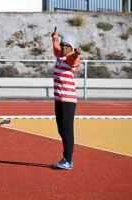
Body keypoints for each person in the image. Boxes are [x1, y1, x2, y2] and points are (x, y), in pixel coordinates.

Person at [50, 27, 81, 170]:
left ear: (71, 48)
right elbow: (56, 47)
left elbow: (73, 59)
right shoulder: (59, 55)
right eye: (62, 45)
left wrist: (75, 54)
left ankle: (68, 160)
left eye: (66, 46)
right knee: (61, 130)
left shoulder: (70, 59)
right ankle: (66, 159)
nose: (62, 48)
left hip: (68, 101)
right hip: (59, 100)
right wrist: (55, 37)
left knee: (67, 130)